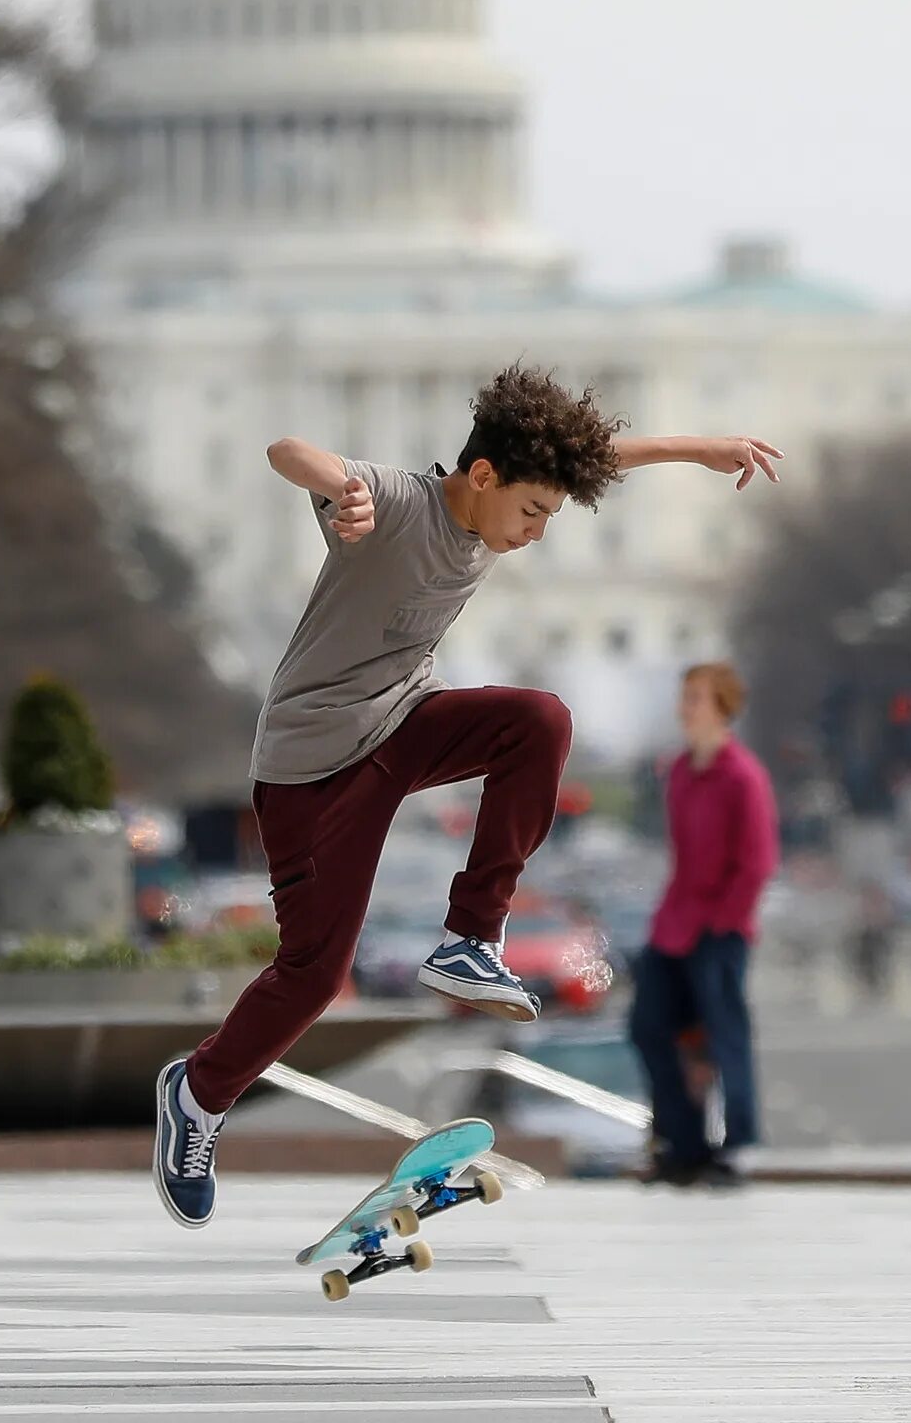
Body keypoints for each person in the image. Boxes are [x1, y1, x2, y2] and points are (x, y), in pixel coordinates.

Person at [153, 365, 781, 1228]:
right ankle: (198, 1094)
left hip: (404, 725)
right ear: (482, 478)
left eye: (548, 519)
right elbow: (285, 450)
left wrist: (700, 448)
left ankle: (471, 937)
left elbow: (597, 453)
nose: (532, 535)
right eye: (531, 514)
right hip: (313, 766)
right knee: (313, 973)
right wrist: (341, 490)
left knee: (538, 722)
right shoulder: (402, 502)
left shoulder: (505, 493)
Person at [629, 661, 781, 1187]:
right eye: (684, 697)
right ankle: (683, 1143)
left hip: (720, 929)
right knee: (648, 1026)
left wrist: (724, 922)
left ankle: (738, 1146)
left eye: (695, 698)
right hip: (674, 923)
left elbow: (757, 862)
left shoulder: (743, 776)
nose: (684, 708)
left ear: (722, 708)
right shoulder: (679, 771)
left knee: (724, 1035)